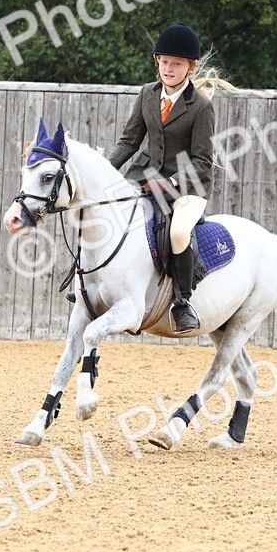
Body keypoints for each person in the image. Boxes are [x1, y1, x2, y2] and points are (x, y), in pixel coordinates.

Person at [107, 23, 218, 334]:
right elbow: (129, 141)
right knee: (105, 213)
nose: (170, 68)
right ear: (157, 61)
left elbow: (202, 161)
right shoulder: (147, 94)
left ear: (190, 67)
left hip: (186, 189)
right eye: (165, 61)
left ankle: (182, 303)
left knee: (179, 232)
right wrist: (106, 171)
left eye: (178, 63)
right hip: (144, 176)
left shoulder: (201, 108)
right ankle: (95, 283)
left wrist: (171, 182)